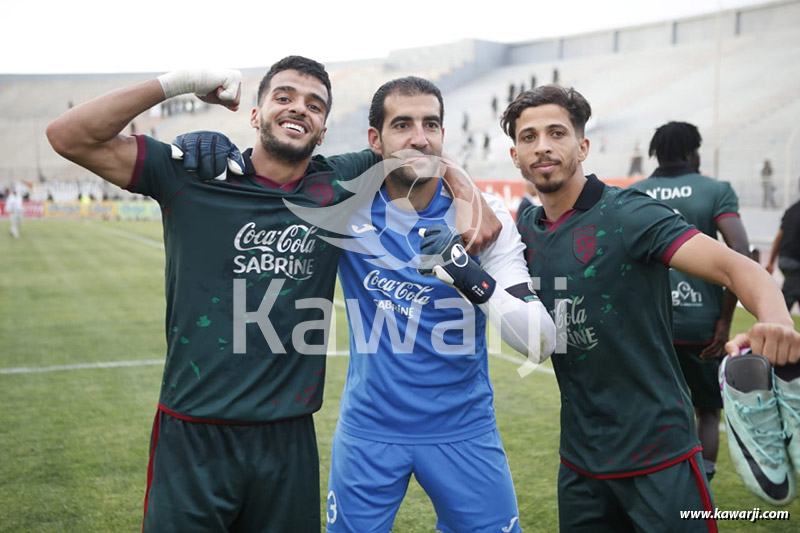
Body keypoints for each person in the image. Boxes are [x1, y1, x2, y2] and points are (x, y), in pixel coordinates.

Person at [46, 57, 499, 533]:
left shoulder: (335, 185)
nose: (299, 109)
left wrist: (467, 192)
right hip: (195, 431)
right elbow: (68, 135)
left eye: (314, 105)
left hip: (289, 438)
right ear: (256, 114)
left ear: (323, 130)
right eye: (283, 97)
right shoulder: (192, 173)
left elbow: (417, 151)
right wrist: (177, 84)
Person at [501, 84, 800, 531]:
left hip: (661, 457)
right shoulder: (523, 229)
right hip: (580, 464)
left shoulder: (629, 213)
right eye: (529, 137)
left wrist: (777, 322)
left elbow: (740, 268)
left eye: (556, 133)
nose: (542, 146)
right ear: (515, 156)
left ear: (582, 146)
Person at [311, 76, 556, 533]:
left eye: (431, 125)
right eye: (402, 125)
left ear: (443, 135)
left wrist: (467, 273)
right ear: (375, 140)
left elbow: (539, 342)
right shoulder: (345, 207)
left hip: (464, 430)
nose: (419, 137)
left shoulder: (487, 219)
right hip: (369, 432)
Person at [629, 121, 751, 482]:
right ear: (690, 151)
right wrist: (725, 320)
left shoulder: (635, 193)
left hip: (650, 326)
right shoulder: (715, 190)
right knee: (708, 411)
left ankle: (657, 479)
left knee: (656, 407)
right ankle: (703, 483)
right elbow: (741, 253)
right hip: (703, 324)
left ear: (655, 153)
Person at [767, 199, 800, 312]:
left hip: (785, 259)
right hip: (796, 261)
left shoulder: (791, 210)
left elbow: (779, 236)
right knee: (787, 299)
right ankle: (774, 321)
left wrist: (771, 262)